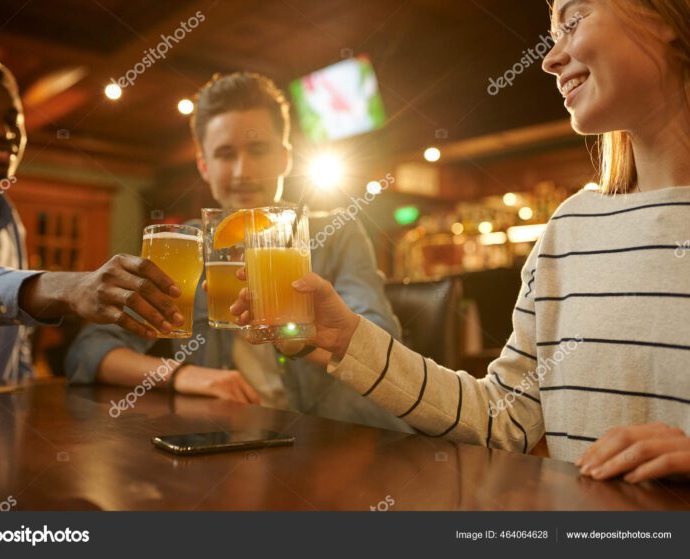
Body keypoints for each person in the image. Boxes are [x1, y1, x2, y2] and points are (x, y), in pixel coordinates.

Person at [232, 0, 690, 482]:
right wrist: (347, 337)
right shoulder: (569, 228)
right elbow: (503, 418)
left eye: (573, 22)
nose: (550, 58)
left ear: (666, 19)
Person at [66, 72, 412, 433]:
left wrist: (295, 336)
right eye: (225, 154)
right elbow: (90, 351)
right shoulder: (186, 245)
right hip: (230, 443)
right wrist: (183, 374)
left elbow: (383, 347)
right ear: (204, 165)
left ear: (284, 158)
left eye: (258, 150)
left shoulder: (336, 233)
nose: (242, 171)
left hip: (339, 439)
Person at [0, 58, 186, 383]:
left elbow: (17, 342)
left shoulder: (9, 221)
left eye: (11, 120)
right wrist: (70, 287)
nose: (2, 132)